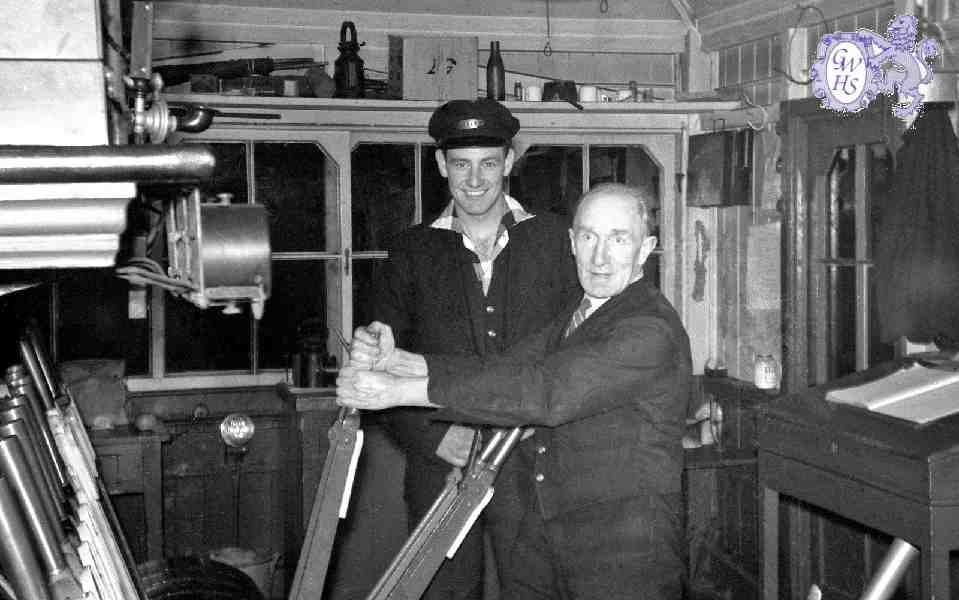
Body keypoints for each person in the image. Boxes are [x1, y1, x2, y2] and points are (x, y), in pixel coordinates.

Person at [340, 182, 692, 599]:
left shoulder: (648, 328)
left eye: (619, 239)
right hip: (549, 535)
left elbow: (543, 391)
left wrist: (400, 392)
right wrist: (398, 361)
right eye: (589, 236)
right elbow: (506, 367)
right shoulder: (582, 313)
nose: (600, 256)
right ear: (572, 243)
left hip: (624, 550)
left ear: (646, 247)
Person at [370, 98, 580, 600]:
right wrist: (432, 438)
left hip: (537, 465)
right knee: (443, 593)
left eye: (489, 163)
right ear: (441, 164)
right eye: (461, 164)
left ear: (510, 161)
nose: (475, 179)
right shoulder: (408, 252)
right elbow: (379, 368)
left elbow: (578, 350)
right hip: (441, 466)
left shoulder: (558, 241)